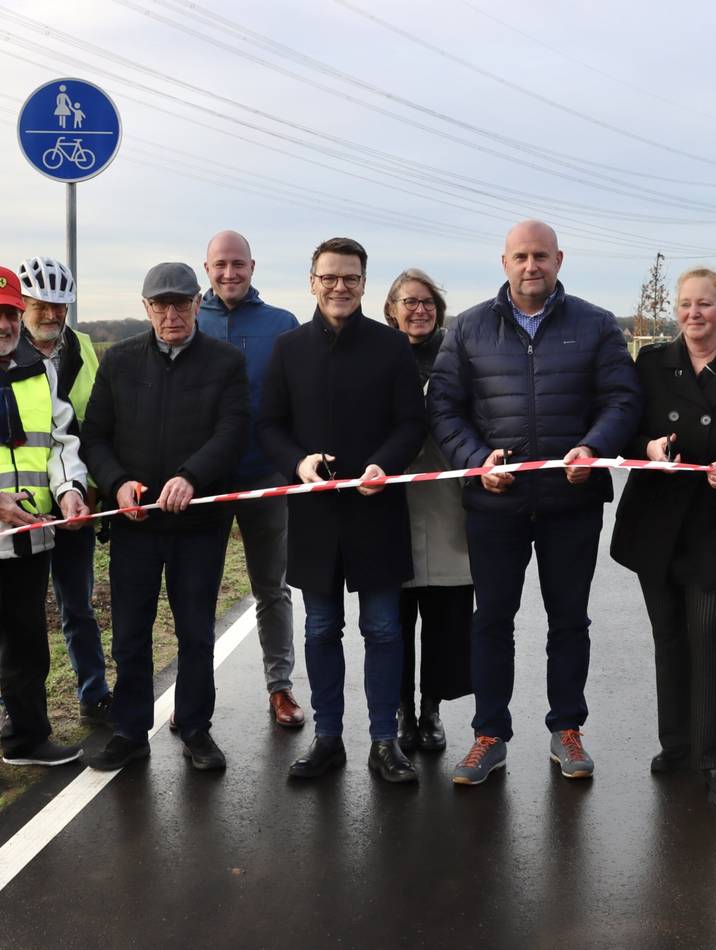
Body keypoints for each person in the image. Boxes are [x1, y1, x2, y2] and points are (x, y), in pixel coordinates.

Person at [428, 220, 641, 786]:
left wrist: (594, 447)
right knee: (492, 620)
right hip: (495, 504)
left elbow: (622, 400)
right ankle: (489, 735)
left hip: (572, 502)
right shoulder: (468, 327)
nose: (531, 266)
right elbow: (444, 408)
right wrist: (477, 461)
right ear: (504, 262)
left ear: (559, 260)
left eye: (541, 256)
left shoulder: (597, 324)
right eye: (521, 256)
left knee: (569, 620)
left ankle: (567, 729)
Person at [258, 238, 426, 783]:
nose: (339, 287)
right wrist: (297, 462)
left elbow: (412, 423)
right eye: (329, 277)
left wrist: (383, 464)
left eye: (350, 278)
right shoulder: (288, 349)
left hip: (377, 509)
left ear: (363, 284)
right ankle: (328, 738)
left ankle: (384, 742)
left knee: (383, 630)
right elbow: (269, 426)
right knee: (321, 629)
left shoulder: (391, 347)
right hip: (315, 515)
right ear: (312, 282)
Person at [610, 268, 716, 809]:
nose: (693, 313)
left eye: (705, 304)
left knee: (708, 632)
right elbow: (627, 430)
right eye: (685, 304)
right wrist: (649, 448)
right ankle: (676, 744)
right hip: (658, 523)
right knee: (669, 635)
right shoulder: (651, 363)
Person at [83, 263, 249, 773]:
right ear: (146, 307)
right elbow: (95, 437)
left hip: (197, 527)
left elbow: (233, 431)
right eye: (160, 304)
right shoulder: (120, 361)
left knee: (195, 632)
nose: (171, 314)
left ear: (198, 303)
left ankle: (195, 728)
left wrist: (192, 476)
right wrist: (117, 483)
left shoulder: (225, 362)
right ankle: (130, 732)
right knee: (130, 633)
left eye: (180, 303)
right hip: (135, 526)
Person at [199, 230, 303, 728]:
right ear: (207, 269)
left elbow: (299, 400)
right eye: (220, 264)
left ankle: (280, 687)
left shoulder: (282, 325)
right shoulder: (189, 319)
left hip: (266, 477)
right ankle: (194, 693)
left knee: (271, 588)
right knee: (197, 590)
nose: (229, 273)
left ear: (252, 267)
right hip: (203, 483)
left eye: (238, 264)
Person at [0, 266, 90, 767]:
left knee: (28, 645)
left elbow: (60, 444)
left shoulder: (42, 371)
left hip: (30, 539)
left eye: (10, 314)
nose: (4, 325)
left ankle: (26, 740)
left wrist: (70, 490)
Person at [17, 256, 111, 725]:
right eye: (41, 305)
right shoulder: (8, 354)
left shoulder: (83, 349)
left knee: (78, 605)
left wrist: (91, 489)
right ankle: (17, 707)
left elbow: (93, 426)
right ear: (21, 306)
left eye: (60, 306)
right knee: (20, 613)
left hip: (77, 499)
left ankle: (94, 693)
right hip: (22, 506)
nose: (52, 315)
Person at [382, 268, 473, 755]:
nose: (419, 310)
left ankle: (432, 708)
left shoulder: (458, 357)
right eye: (409, 302)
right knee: (394, 618)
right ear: (391, 309)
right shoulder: (379, 355)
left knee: (445, 618)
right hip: (391, 501)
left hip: (447, 501)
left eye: (427, 302)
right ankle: (401, 710)